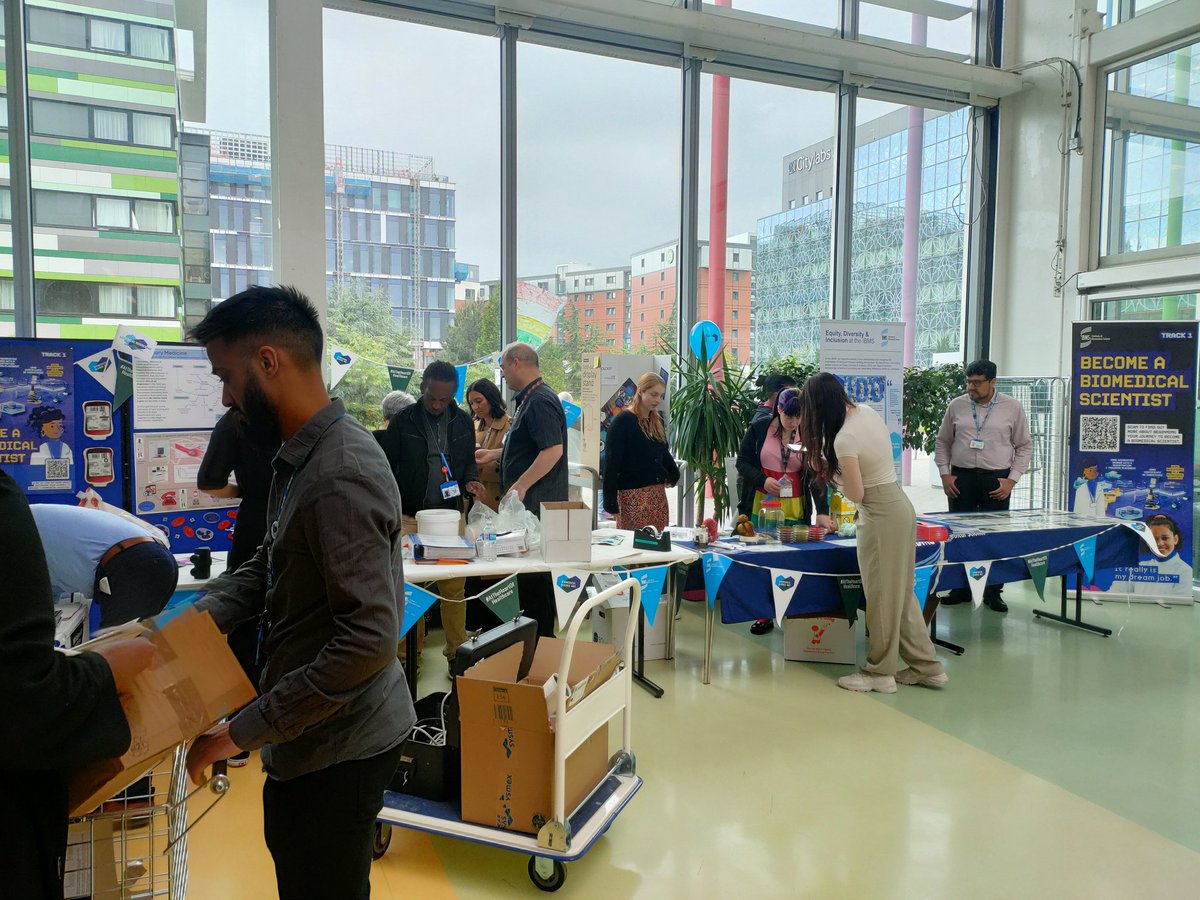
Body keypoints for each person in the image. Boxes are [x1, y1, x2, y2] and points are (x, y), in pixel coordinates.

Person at [182, 285, 414, 900]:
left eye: (226, 376)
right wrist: (182, 629)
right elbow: (271, 563)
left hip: (339, 745)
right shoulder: (302, 456)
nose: (226, 396)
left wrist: (240, 731)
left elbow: (367, 640)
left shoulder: (340, 471)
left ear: (267, 362)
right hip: (311, 737)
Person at [0, 466, 156, 900]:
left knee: (131, 669)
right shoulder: (23, 513)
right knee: (119, 666)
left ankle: (135, 795)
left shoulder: (20, 512)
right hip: (140, 559)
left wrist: (105, 668)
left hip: (134, 564)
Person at [797, 372, 948, 694]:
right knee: (898, 594)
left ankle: (878, 672)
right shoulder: (866, 411)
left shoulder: (843, 440)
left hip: (879, 514)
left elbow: (856, 493)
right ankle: (927, 666)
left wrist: (826, 470)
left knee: (881, 596)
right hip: (899, 506)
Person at [382, 361, 484, 669]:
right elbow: (387, 467)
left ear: (453, 394)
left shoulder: (463, 421)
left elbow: (467, 462)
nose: (437, 405)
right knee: (408, 587)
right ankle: (406, 655)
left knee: (453, 586)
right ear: (422, 388)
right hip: (410, 514)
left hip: (450, 516)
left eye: (444, 399)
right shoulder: (403, 421)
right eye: (432, 398)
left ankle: (457, 653)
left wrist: (470, 481)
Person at [197, 408, 279, 767]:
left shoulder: (235, 421)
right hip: (294, 516)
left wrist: (246, 488)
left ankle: (239, 736)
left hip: (254, 521)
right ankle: (282, 725)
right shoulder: (296, 412)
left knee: (244, 623)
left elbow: (208, 481)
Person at [475, 341, 567, 635]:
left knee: (534, 587)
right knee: (523, 589)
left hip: (536, 513)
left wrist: (521, 486)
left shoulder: (540, 400)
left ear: (516, 362)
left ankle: (539, 648)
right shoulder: (529, 399)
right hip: (526, 513)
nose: (502, 375)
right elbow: (530, 448)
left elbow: (553, 450)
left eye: (503, 367)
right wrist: (494, 455)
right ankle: (525, 645)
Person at [934, 359, 1033, 612]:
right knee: (959, 535)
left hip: (996, 479)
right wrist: (945, 474)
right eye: (969, 382)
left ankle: (993, 591)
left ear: (993, 382)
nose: (971, 387)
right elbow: (943, 441)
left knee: (994, 537)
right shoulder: (956, 405)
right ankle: (960, 588)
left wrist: (1012, 479)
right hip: (961, 479)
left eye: (977, 383)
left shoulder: (1012, 407)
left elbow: (1024, 446)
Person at [736, 386, 835, 635]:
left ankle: (793, 609)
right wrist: (761, 479)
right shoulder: (760, 429)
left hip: (795, 506)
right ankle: (764, 613)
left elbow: (816, 475)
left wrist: (822, 510)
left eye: (799, 416)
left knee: (794, 557)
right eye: (789, 416)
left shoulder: (809, 434)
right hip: (763, 503)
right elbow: (742, 462)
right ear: (778, 410)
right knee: (763, 559)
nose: (793, 422)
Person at [29, 503, 178, 629]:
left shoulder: (15, 526)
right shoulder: (27, 517)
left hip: (134, 563)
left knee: (116, 649)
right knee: (138, 646)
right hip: (151, 559)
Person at [602, 372, 680, 532]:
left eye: (660, 395)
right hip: (632, 497)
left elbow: (663, 453)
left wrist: (673, 474)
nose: (657, 400)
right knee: (634, 547)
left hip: (657, 497)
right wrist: (611, 503)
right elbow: (611, 463)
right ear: (641, 391)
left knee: (658, 548)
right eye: (653, 394)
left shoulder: (656, 421)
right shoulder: (622, 421)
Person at [467, 378, 511, 512]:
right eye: (471, 403)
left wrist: (486, 464)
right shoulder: (472, 426)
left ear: (491, 398)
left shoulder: (510, 426)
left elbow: (514, 462)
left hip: (499, 497)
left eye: (479, 401)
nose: (475, 407)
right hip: (475, 497)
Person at [1129, 514, 1192, 597]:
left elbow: (1180, 605)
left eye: (1165, 538)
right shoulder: (1138, 567)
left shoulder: (1185, 571)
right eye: (1154, 539)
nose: (1160, 543)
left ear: (1175, 539)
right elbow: (1118, 591)